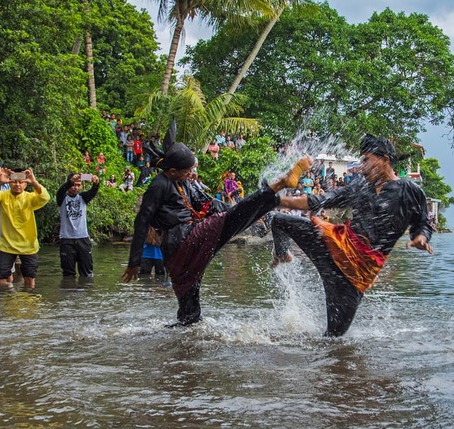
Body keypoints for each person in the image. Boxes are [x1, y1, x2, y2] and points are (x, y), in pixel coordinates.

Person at [121, 124, 312, 327]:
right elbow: (142, 220)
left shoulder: (183, 182)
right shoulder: (158, 184)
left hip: (184, 248)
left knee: (190, 315)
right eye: (187, 170)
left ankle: (180, 346)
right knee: (230, 219)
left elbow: (210, 204)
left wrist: (246, 213)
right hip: (183, 241)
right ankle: (281, 183)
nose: (191, 173)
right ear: (173, 171)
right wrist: (134, 262)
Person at [269, 134, 434, 337]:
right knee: (279, 220)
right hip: (331, 248)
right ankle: (282, 254)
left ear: (385, 160)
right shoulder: (360, 187)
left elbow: (422, 222)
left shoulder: (409, 190)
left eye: (366, 160)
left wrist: (421, 238)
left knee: (333, 340)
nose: (362, 166)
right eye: (361, 160)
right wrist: (275, 201)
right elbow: (318, 200)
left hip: (352, 278)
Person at [0, 168, 50, 288]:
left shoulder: (30, 198)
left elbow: (45, 198)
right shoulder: (3, 196)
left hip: (28, 245)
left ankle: (29, 303)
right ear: (9, 182)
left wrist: (34, 182)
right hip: (6, 245)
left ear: (25, 184)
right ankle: (5, 301)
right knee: (1, 276)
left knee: (29, 276)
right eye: (14, 181)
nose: (17, 185)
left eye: (21, 182)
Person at [56, 173, 100, 277]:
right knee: (68, 274)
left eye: (78, 185)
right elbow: (61, 191)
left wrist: (96, 183)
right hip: (67, 239)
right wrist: (71, 181)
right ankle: (69, 292)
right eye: (74, 185)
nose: (76, 187)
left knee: (87, 273)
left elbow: (93, 192)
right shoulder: (62, 198)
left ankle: (86, 292)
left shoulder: (83, 197)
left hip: (83, 239)